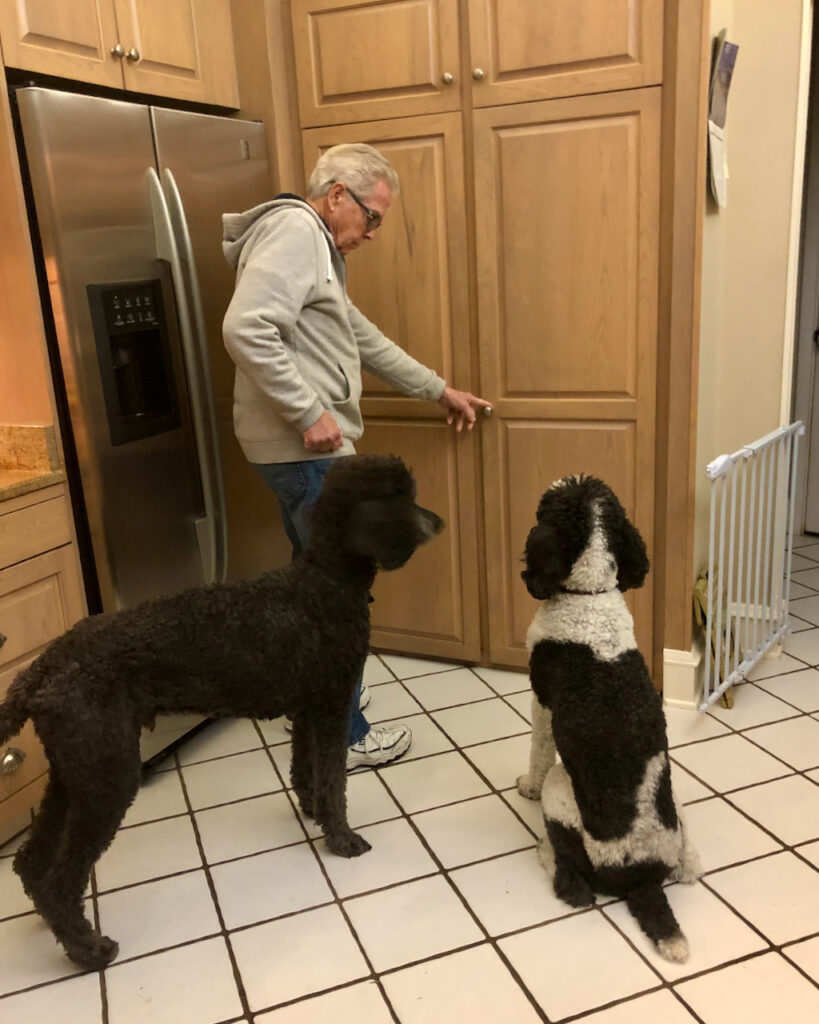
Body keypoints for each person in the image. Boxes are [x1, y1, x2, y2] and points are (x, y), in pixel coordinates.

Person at [222, 143, 491, 770]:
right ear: (337, 194)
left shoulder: (315, 245)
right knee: (338, 596)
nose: (371, 234)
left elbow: (362, 337)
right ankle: (343, 731)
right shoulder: (294, 231)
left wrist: (437, 388)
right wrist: (308, 412)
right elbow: (245, 328)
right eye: (371, 218)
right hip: (304, 451)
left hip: (301, 452)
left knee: (317, 589)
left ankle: (317, 705)